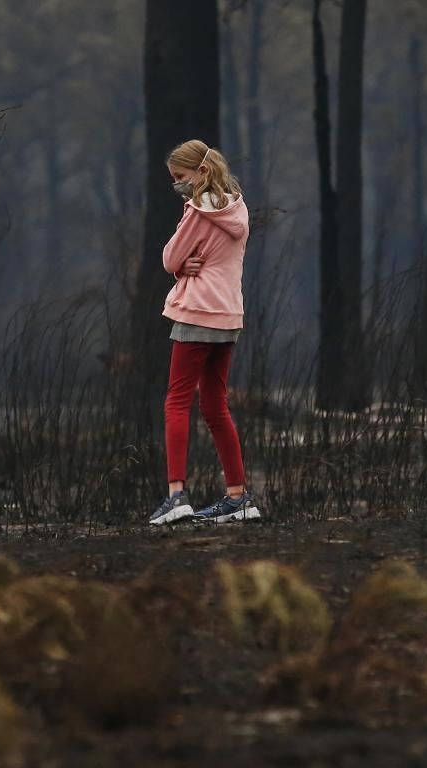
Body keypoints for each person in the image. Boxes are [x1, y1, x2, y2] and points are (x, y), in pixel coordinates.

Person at [148, 139, 261, 525]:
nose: (177, 185)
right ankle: (238, 496)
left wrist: (183, 267)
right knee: (216, 405)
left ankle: (177, 494)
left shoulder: (197, 210)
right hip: (229, 315)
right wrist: (189, 265)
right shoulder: (239, 208)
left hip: (196, 313)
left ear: (202, 172)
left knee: (177, 402)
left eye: (180, 177)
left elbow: (168, 259)